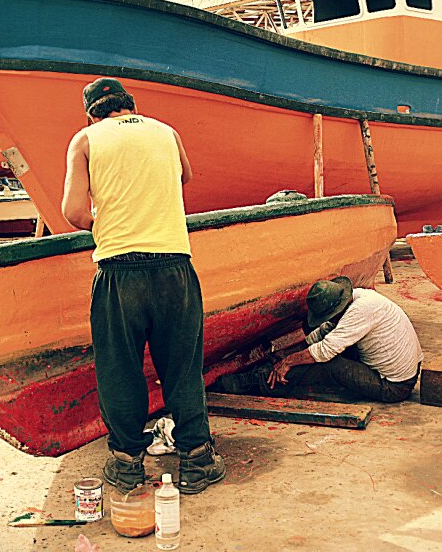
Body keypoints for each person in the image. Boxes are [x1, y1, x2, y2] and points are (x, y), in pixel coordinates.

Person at [61, 77, 224, 495]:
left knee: (120, 371)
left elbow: (74, 212)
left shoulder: (85, 140)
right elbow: (185, 175)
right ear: (130, 106)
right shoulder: (166, 131)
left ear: (92, 112)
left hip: (119, 272)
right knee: (182, 367)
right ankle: (197, 461)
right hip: (174, 266)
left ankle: (128, 465)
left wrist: (109, 220)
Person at [221, 276, 423, 403]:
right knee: (316, 350)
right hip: (401, 373)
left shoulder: (362, 311)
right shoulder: (358, 297)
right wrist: (286, 353)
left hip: (394, 386)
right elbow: (323, 333)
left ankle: (258, 383)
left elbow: (325, 350)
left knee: (328, 362)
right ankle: (265, 374)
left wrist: (288, 362)